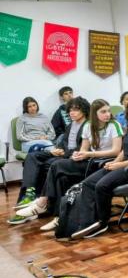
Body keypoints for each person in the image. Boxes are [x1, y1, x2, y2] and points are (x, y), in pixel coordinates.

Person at [12, 99, 122, 230]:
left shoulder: (114, 125)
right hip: (89, 161)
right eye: (103, 112)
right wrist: (78, 155)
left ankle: (42, 203)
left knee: (56, 165)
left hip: (103, 163)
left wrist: (88, 154)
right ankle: (60, 217)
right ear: (94, 113)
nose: (107, 114)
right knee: (61, 177)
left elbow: (116, 151)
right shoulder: (88, 126)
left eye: (108, 111)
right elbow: (83, 149)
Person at [70, 99, 128, 239]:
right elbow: (124, 152)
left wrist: (120, 165)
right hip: (125, 165)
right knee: (88, 183)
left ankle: (102, 222)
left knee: (102, 186)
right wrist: (114, 162)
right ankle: (87, 222)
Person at [10, 97, 89, 216]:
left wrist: (63, 152)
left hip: (73, 156)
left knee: (48, 164)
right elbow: (64, 142)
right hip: (62, 152)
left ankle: (41, 201)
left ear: (84, 110)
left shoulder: (87, 125)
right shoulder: (71, 125)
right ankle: (28, 195)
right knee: (32, 157)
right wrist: (58, 149)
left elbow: (82, 148)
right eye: (70, 110)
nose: (72, 113)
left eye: (76, 110)